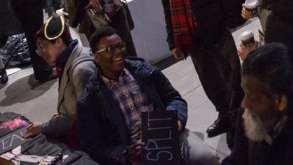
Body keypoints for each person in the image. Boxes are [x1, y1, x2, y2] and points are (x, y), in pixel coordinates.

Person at [76, 27, 218, 164]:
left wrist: (176, 120)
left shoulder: (143, 71)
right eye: (110, 49)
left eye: (120, 46)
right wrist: (124, 153)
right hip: (132, 151)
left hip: (166, 135)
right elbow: (94, 146)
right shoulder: (89, 100)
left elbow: (173, 98)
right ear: (96, 57)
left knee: (207, 157)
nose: (119, 52)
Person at [157, 0, 248, 138]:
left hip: (216, 32)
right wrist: (173, 41)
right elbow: (168, 8)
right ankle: (224, 115)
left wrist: (229, 21)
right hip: (192, 39)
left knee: (232, 77)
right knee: (209, 80)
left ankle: (239, 120)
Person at [23, 13, 96, 148]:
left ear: (58, 41)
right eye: (38, 48)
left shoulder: (81, 70)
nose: (41, 52)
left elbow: (85, 118)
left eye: (43, 45)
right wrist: (64, 112)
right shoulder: (68, 61)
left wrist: (44, 127)